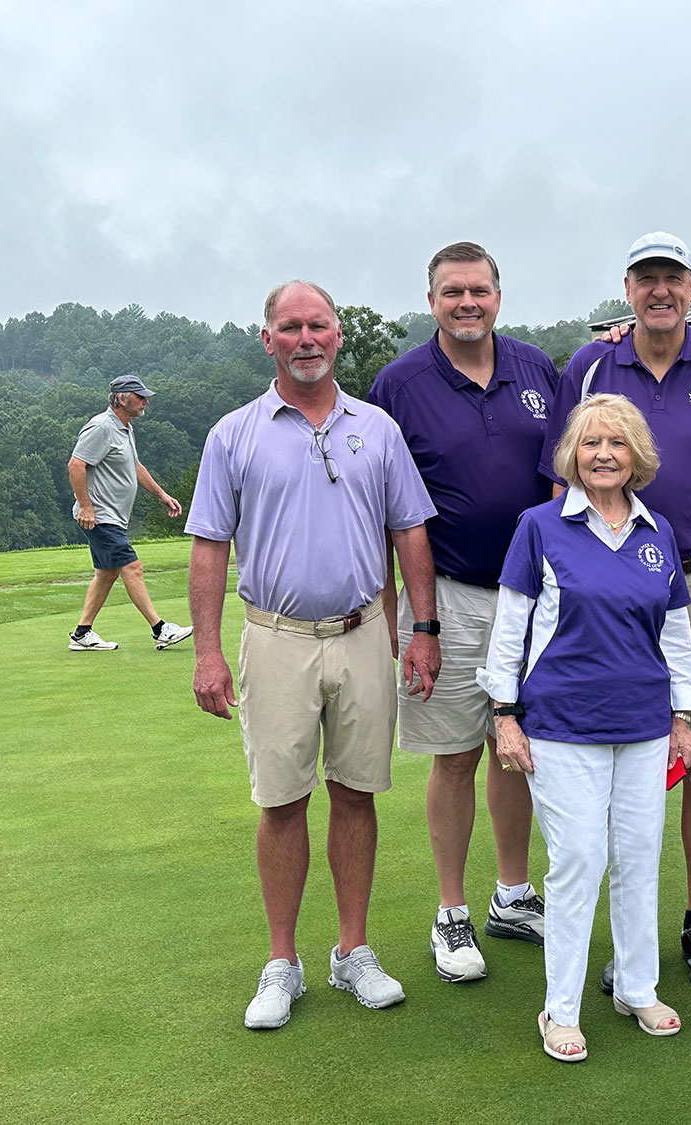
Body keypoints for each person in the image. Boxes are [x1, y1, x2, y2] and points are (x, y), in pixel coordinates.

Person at [186, 281, 442, 1031]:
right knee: (282, 800)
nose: (307, 337)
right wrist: (207, 653)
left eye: (319, 325)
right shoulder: (234, 433)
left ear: (337, 336)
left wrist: (421, 627)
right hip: (275, 637)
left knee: (357, 792)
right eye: (290, 326)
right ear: (267, 339)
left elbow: (410, 532)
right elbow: (208, 547)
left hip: (364, 630)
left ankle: (352, 950)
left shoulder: (379, 429)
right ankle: (282, 962)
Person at [542, 231, 691, 992]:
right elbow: (561, 483)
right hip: (602, 583)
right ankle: (622, 934)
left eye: (672, 277)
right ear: (629, 287)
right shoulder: (591, 363)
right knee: (616, 763)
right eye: (647, 278)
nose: (660, 290)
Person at [481, 393, 691, 1061]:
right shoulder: (539, 526)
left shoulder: (656, 529)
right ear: (572, 455)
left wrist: (683, 715)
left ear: (637, 456)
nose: (603, 453)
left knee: (637, 858)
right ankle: (560, 1009)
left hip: (642, 724)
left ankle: (637, 987)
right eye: (590, 442)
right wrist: (504, 715)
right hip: (558, 723)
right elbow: (510, 627)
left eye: (617, 443)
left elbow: (676, 634)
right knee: (578, 858)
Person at [368, 242, 555, 983]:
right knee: (454, 754)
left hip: (535, 599)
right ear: (432, 299)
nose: (467, 302)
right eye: (453, 292)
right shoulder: (399, 383)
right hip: (444, 596)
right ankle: (452, 912)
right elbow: (378, 508)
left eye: (478, 289)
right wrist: (404, 616)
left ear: (498, 296)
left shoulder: (539, 369)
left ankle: (512, 893)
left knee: (518, 748)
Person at [66, 375, 192, 652]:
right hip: (99, 516)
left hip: (110, 516)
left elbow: (133, 466)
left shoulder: (124, 428)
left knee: (107, 573)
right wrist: (86, 506)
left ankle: (82, 634)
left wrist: (161, 494)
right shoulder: (101, 427)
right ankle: (160, 629)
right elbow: (76, 465)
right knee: (132, 567)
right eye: (140, 396)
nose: (145, 400)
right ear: (122, 399)